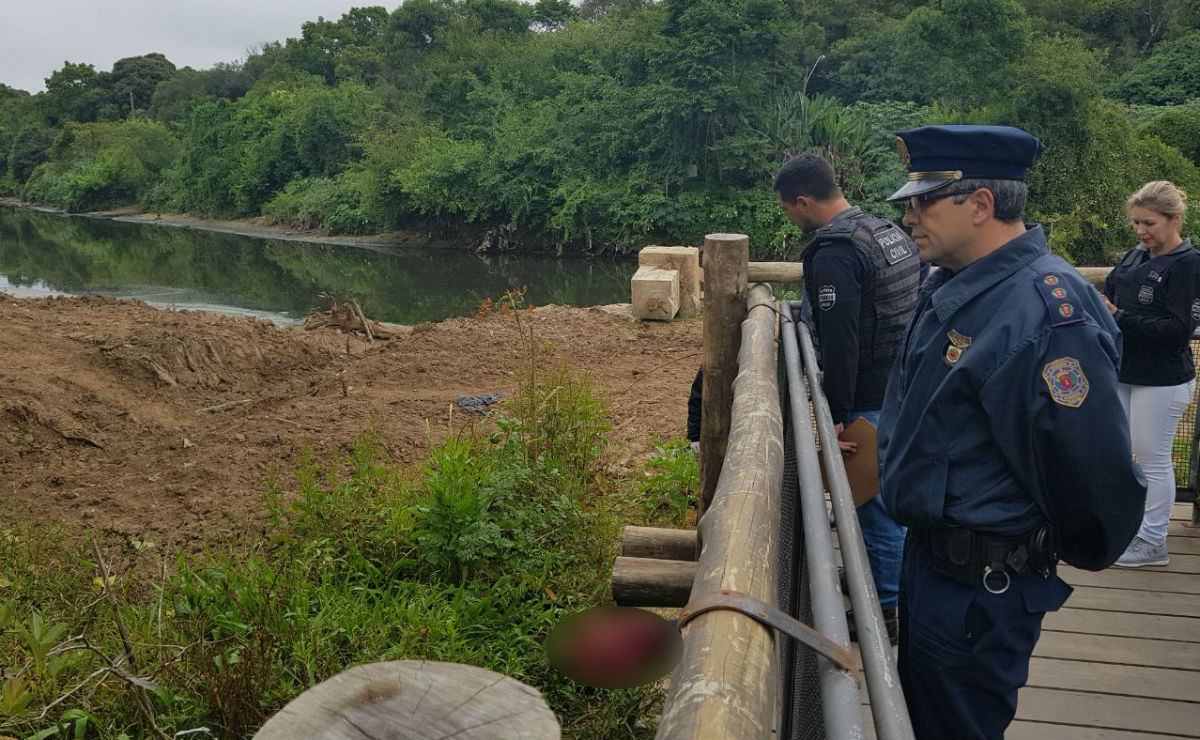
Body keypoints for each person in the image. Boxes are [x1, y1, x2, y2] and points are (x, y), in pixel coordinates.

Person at [876, 124, 1147, 740]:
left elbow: (1089, 467)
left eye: (923, 201)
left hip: (983, 583)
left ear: (980, 204)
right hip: (934, 563)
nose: (909, 216)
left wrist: (1049, 547)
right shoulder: (954, 284)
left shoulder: (1045, 309)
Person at [774, 153, 923, 642]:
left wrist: (835, 415)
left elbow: (841, 340)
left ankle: (885, 608)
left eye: (789, 211)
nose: (791, 220)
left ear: (803, 201)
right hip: (902, 386)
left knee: (872, 503)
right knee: (881, 497)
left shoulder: (834, 251)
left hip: (867, 399)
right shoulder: (884, 231)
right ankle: (876, 583)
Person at [1102, 181, 1200, 567]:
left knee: (1152, 458)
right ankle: (1134, 528)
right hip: (1125, 370)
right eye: (1136, 224)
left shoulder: (1189, 264)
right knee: (1126, 455)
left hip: (1162, 378)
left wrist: (1118, 316)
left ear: (1174, 219)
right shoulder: (1136, 255)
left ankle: (1153, 541)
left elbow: (1178, 329)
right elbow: (1112, 291)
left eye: (1149, 224)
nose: (1141, 231)